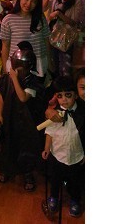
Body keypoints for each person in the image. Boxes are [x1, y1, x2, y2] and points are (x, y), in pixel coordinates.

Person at [0, 42, 47, 192]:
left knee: (26, 147)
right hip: (9, 117)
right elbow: (3, 97)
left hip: (26, 121)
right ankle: (6, 169)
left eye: (22, 67)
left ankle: (28, 173)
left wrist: (15, 78)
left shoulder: (33, 81)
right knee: (7, 144)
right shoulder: (6, 79)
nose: (18, 70)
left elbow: (23, 97)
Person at [41, 76, 85, 218]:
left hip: (76, 156)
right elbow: (49, 132)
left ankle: (75, 199)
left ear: (75, 95)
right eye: (60, 96)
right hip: (57, 155)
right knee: (55, 179)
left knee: (75, 180)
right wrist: (46, 149)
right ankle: (53, 196)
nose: (64, 100)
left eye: (68, 95)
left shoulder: (82, 113)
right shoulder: (55, 114)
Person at [0, 0, 51, 80]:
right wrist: (5, 69)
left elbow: (46, 42)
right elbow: (5, 46)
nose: (28, 4)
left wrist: (50, 63)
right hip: (17, 66)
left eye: (34, 1)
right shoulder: (8, 19)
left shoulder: (40, 18)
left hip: (39, 65)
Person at [42, 0, 85, 79]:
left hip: (66, 37)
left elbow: (74, 22)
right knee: (53, 64)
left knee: (65, 67)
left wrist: (58, 14)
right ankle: (56, 85)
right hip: (51, 35)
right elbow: (43, 9)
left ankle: (65, 85)